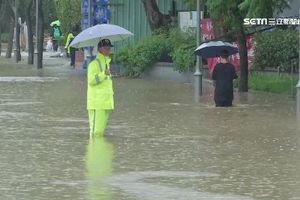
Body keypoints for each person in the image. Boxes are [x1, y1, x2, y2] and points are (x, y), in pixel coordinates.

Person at [87, 39, 114, 137]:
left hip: (106, 103)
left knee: (100, 132)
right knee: (96, 132)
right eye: (107, 48)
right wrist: (103, 74)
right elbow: (91, 80)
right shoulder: (94, 64)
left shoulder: (107, 63)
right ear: (101, 49)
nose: (109, 50)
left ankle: (100, 151)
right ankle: (94, 151)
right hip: (97, 104)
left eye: (109, 48)